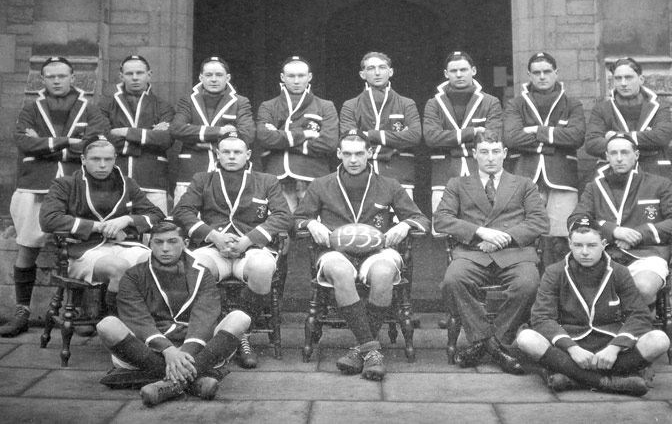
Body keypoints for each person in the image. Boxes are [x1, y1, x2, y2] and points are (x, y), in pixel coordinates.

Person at [294, 130, 429, 381]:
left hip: (377, 251)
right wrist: (311, 224)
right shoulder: (321, 184)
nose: (353, 160)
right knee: (341, 271)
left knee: (385, 272)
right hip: (336, 251)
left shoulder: (389, 184)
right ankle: (371, 350)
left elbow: (421, 219)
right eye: (347, 154)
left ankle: (361, 350)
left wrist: (404, 225)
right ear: (339, 154)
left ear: (369, 153)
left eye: (359, 154)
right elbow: (297, 219)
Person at [1, 56, 107, 337]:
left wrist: (44, 144)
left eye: (62, 76)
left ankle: (82, 310)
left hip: (75, 187)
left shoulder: (89, 108)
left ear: (73, 77)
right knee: (28, 247)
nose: (57, 81)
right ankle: (22, 311)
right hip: (34, 186)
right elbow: (23, 141)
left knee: (81, 247)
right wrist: (68, 143)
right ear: (43, 79)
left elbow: (96, 142)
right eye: (51, 76)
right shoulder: (30, 108)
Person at [95, 220, 250, 407]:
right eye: (158, 242)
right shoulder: (134, 275)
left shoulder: (202, 273)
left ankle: (166, 383)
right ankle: (195, 379)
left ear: (185, 244)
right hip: (147, 349)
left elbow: (205, 316)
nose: (165, 248)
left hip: (192, 348)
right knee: (107, 325)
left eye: (172, 241)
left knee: (241, 318)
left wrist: (184, 353)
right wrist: (167, 350)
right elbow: (137, 318)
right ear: (150, 244)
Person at [172, 133, 293, 369]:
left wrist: (249, 240)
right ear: (217, 154)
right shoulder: (203, 179)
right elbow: (182, 211)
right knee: (194, 267)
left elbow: (283, 216)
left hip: (250, 249)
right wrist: (214, 235)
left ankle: (241, 334)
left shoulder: (266, 180)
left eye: (237, 152)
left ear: (248, 155)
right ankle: (211, 332)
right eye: (225, 152)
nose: (231, 156)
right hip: (213, 248)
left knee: (263, 267)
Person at [434, 131, 549, 374]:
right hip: (473, 252)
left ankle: (484, 344)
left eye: (496, 151)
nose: (490, 158)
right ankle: (493, 345)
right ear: (474, 154)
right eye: (484, 152)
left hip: (515, 253)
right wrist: (481, 232)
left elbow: (539, 222)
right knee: (452, 281)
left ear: (505, 154)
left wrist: (503, 238)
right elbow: (442, 220)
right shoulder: (458, 184)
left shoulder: (524, 184)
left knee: (529, 285)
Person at [515, 219, 670, 396]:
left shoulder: (619, 272)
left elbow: (639, 316)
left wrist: (615, 347)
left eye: (592, 245)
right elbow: (542, 317)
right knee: (526, 338)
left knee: (659, 340)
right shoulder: (555, 272)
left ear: (604, 244)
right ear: (570, 244)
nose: (585, 252)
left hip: (611, 346)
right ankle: (608, 382)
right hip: (572, 345)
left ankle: (573, 378)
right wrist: (572, 348)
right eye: (578, 245)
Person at [39, 136, 165, 315]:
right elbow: (48, 219)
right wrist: (99, 227)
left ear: (115, 159)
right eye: (95, 159)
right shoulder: (65, 184)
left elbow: (158, 215)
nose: (103, 165)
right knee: (118, 267)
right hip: (83, 251)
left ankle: (149, 323)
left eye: (108, 159)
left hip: (124, 245)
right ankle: (114, 324)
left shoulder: (126, 184)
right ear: (83, 160)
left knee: (156, 262)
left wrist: (127, 220)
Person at [568, 133, 672, 305]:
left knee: (644, 288)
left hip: (647, 255)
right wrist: (614, 231)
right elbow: (576, 221)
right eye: (614, 153)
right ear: (607, 157)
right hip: (604, 256)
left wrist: (639, 234)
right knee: (575, 287)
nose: (619, 158)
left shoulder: (659, 184)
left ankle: (639, 324)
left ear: (636, 155)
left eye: (624, 152)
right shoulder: (594, 187)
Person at [504, 52, 585, 266]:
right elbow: (511, 138)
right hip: (526, 176)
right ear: (529, 75)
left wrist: (535, 131)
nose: (542, 76)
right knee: (526, 236)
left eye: (547, 72)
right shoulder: (516, 104)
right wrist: (555, 139)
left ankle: (559, 290)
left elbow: (576, 137)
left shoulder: (572, 103)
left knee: (561, 238)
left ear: (556, 73)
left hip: (562, 178)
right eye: (537, 73)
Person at [423, 51, 503, 216]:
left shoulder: (490, 101)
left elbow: (492, 138)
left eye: (464, 70)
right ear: (446, 74)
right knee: (442, 227)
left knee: (484, 223)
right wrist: (472, 132)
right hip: (443, 174)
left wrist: (448, 138)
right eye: (453, 71)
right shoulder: (433, 103)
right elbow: (431, 138)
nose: (459, 74)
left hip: (480, 172)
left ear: (473, 71)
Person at [256, 56, 339, 212]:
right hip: (278, 174)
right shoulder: (268, 106)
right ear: (282, 77)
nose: (296, 81)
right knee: (282, 225)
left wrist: (281, 141)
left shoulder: (325, 106)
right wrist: (305, 134)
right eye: (291, 76)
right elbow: (264, 138)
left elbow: (329, 143)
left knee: (311, 225)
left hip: (313, 175)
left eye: (301, 76)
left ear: (309, 77)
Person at [170, 56, 255, 205]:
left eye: (219, 75)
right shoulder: (188, 100)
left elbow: (247, 135)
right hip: (190, 171)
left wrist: (208, 145)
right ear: (201, 77)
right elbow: (176, 129)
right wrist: (220, 131)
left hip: (226, 174)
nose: (214, 79)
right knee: (184, 218)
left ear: (227, 77)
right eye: (209, 75)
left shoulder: (240, 102)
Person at [99, 55, 175, 215]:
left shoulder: (163, 106)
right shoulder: (106, 104)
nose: (135, 78)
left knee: (155, 230)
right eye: (129, 73)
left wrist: (124, 132)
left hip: (152, 178)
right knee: (115, 229)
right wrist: (148, 136)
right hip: (116, 177)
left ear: (149, 74)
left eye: (139, 73)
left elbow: (165, 139)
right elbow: (102, 139)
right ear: (121, 76)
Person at [339, 52, 422, 197]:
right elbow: (349, 139)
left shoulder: (407, 103)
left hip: (399, 173)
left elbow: (414, 136)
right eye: (371, 68)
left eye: (382, 67)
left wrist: (367, 134)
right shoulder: (350, 105)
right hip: (361, 174)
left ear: (390, 72)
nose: (377, 73)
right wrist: (396, 139)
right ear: (362, 74)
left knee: (402, 219)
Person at [585, 57, 672, 182]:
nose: (623, 83)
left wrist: (615, 137)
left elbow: (662, 137)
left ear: (641, 79)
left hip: (652, 174)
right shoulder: (602, 109)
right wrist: (645, 141)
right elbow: (592, 144)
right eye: (618, 78)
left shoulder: (659, 107)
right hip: (613, 176)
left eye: (628, 77)